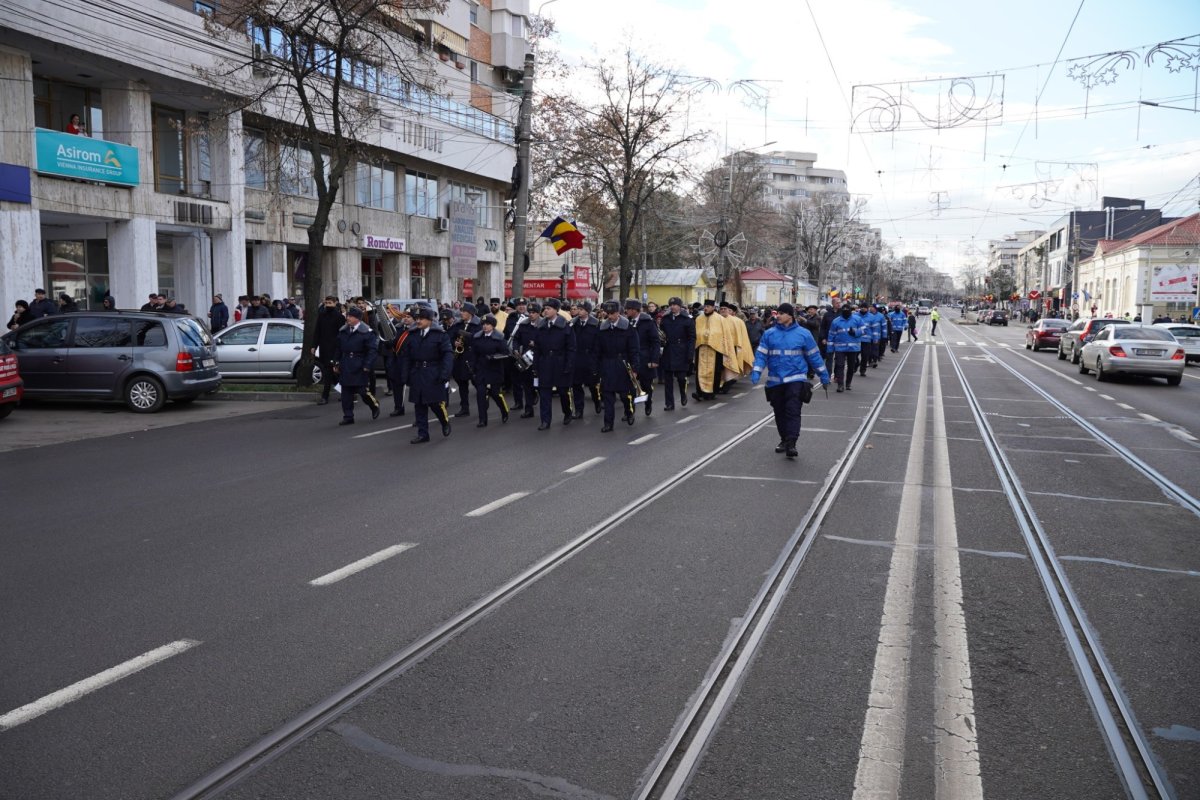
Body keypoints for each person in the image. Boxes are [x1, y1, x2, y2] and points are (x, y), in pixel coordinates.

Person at [749, 303, 830, 459]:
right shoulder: (769, 334)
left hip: (796, 379)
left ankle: (792, 443)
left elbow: (814, 356)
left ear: (790, 315)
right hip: (775, 381)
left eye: (781, 313)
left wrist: (823, 375)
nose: (778, 316)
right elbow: (761, 355)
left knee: (793, 411)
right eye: (777, 313)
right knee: (779, 412)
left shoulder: (803, 334)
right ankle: (784, 439)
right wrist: (757, 371)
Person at [401, 306, 453, 443]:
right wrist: (405, 374)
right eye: (417, 318)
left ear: (430, 320)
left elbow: (447, 355)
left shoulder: (440, 335)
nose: (418, 321)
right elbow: (406, 356)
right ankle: (423, 434)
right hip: (417, 372)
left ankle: (444, 421)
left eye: (422, 319)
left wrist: (445, 373)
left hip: (433, 373)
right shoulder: (412, 334)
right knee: (419, 404)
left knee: (434, 403)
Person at [595, 300, 640, 431]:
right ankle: (608, 423)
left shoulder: (628, 328)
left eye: (612, 313)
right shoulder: (602, 329)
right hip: (607, 365)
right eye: (608, 313)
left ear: (618, 313)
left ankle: (629, 412)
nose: (610, 316)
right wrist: (596, 368)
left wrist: (635, 368)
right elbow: (597, 350)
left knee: (625, 395)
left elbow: (634, 350)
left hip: (623, 366)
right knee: (608, 396)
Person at [332, 305, 380, 425]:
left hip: (360, 364)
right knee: (346, 393)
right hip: (346, 364)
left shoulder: (367, 332)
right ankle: (348, 416)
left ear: (358, 318)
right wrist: (336, 362)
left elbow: (372, 350)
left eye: (351, 316)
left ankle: (374, 405)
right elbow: (338, 348)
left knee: (363, 391)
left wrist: (367, 365)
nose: (348, 318)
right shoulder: (343, 331)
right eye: (348, 315)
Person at [532, 298, 576, 429]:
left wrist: (569, 365)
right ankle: (545, 421)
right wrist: (536, 365)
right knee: (544, 393)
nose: (545, 311)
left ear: (556, 310)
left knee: (563, 391)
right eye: (544, 308)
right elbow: (537, 348)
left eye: (548, 308)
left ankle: (567, 412)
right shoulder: (541, 327)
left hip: (560, 363)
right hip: (545, 363)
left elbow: (571, 348)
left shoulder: (565, 326)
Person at [469, 315, 511, 427]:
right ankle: (482, 420)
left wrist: (494, 357)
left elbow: (506, 353)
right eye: (483, 324)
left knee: (495, 393)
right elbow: (474, 354)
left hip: (494, 369)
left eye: (487, 324)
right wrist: (473, 368)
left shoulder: (499, 338)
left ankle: (504, 410)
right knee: (481, 395)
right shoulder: (477, 337)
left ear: (493, 325)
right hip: (481, 370)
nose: (485, 326)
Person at [693, 299, 736, 401]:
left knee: (715, 371)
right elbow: (695, 333)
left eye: (708, 306)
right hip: (701, 348)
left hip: (716, 349)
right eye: (705, 306)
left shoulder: (720, 319)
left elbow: (726, 335)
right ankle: (700, 392)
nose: (706, 308)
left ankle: (712, 392)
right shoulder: (699, 319)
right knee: (700, 371)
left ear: (713, 307)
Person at [625, 299, 660, 415]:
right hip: (630, 359)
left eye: (628, 309)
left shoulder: (648, 322)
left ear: (635, 310)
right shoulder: (626, 322)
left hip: (645, 359)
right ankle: (630, 411)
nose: (626, 311)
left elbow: (655, 342)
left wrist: (654, 360)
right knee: (629, 387)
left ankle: (647, 403)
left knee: (645, 386)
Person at [659, 297, 695, 411]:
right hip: (668, 351)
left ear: (680, 306)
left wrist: (690, 354)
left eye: (675, 305)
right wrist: (662, 343)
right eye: (671, 305)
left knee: (681, 378)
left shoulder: (687, 319)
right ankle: (669, 403)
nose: (673, 307)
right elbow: (662, 333)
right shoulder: (666, 319)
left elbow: (692, 338)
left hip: (682, 352)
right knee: (668, 379)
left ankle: (683, 394)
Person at [448, 303, 482, 417]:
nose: (461, 313)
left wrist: (467, 337)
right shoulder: (458, 324)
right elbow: (450, 336)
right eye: (461, 311)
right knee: (461, 383)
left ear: (470, 313)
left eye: (464, 311)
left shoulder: (479, 324)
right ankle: (464, 407)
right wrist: (454, 342)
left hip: (473, 358)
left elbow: (479, 339)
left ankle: (484, 403)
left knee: (477, 383)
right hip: (460, 358)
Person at [570, 300, 601, 417]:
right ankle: (579, 410)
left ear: (587, 311)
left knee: (592, 385)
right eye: (578, 309)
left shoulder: (596, 324)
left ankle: (597, 401)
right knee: (576, 385)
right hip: (577, 359)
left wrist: (596, 360)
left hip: (590, 359)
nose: (579, 311)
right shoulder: (573, 323)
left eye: (581, 309)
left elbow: (598, 344)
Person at [312, 296, 345, 405]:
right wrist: (314, 346)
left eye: (330, 303)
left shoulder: (339, 317)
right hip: (324, 348)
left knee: (331, 373)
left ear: (335, 303)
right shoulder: (322, 315)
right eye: (326, 303)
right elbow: (317, 332)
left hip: (335, 349)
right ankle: (345, 392)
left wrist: (340, 349)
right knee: (330, 373)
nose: (327, 305)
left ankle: (325, 396)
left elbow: (341, 335)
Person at [384, 305, 415, 416]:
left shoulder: (417, 330)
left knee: (416, 386)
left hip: (411, 362)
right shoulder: (398, 328)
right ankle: (399, 407)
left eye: (409, 317)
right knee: (397, 385)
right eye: (405, 316)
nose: (406, 318)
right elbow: (392, 343)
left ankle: (423, 407)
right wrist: (387, 342)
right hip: (398, 361)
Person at [511, 302, 539, 418]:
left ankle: (535, 393)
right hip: (526, 358)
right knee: (526, 384)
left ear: (539, 313)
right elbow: (516, 339)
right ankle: (529, 409)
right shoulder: (524, 324)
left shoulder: (543, 325)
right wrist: (516, 349)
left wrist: (536, 344)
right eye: (530, 312)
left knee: (538, 385)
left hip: (539, 359)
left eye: (534, 312)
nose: (531, 314)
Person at [828, 303, 862, 393]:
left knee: (851, 366)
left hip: (853, 348)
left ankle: (848, 383)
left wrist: (855, 332)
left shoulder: (857, 319)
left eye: (848, 310)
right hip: (840, 348)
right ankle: (840, 385)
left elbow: (864, 330)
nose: (846, 312)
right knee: (839, 366)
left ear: (850, 311)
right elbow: (831, 335)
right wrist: (830, 349)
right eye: (844, 311)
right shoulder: (836, 321)